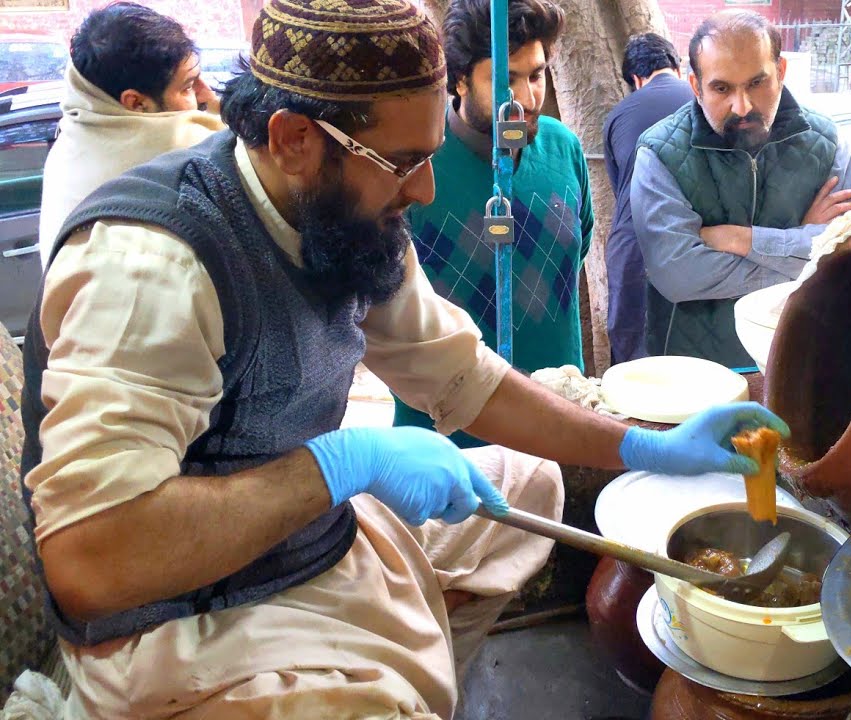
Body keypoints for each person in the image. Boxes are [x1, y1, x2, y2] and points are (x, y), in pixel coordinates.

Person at [20, 1, 785, 716]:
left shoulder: (344, 209)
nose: (422, 188)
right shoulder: (152, 265)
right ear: (293, 139)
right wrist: (340, 464)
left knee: (530, 490)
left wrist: (640, 445)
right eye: (402, 160)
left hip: (304, 536)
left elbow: (463, 377)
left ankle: (396, 668)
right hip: (179, 612)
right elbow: (92, 562)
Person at [395, 0, 593, 447]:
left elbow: (574, 251)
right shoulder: (413, 168)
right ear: (460, 80)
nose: (526, 99)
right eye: (506, 80)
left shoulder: (564, 150)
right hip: (445, 438)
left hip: (556, 418)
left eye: (537, 75)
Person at [632, 10, 851, 367]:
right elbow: (679, 275)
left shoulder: (826, 143)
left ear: (781, 72)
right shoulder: (660, 153)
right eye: (722, 88)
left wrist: (745, 240)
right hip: (695, 368)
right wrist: (806, 243)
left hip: (804, 360)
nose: (742, 106)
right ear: (696, 86)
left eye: (757, 83)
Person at [37, 1, 223, 265]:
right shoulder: (187, 150)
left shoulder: (72, 134)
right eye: (188, 87)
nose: (206, 95)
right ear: (136, 103)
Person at [602, 33, 695, 364]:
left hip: (633, 248)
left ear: (636, 79)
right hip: (700, 244)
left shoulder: (618, 115)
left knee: (633, 357)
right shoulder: (703, 100)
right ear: (676, 66)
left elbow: (621, 191)